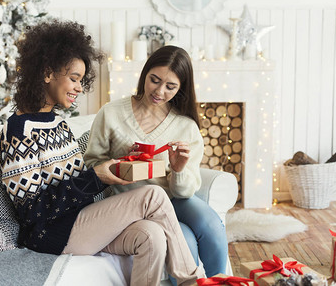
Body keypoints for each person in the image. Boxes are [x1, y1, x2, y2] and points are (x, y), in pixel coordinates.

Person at [0, 19, 206, 286]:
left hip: (83, 221)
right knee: (153, 195)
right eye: (74, 79)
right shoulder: (19, 131)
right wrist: (95, 177)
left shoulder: (57, 123)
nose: (79, 88)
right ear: (47, 73)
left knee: (151, 235)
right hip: (52, 234)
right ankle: (193, 281)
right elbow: (31, 211)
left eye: (81, 81)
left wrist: (119, 164)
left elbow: (76, 181)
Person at [83, 45, 229, 283]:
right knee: (186, 240)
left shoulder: (185, 126)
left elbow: (184, 192)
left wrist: (179, 170)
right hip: (132, 203)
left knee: (211, 224)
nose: (160, 91)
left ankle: (222, 282)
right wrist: (123, 162)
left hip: (172, 199)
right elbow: (92, 164)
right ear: (144, 74)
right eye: (155, 80)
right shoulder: (111, 113)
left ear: (181, 88)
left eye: (170, 87)